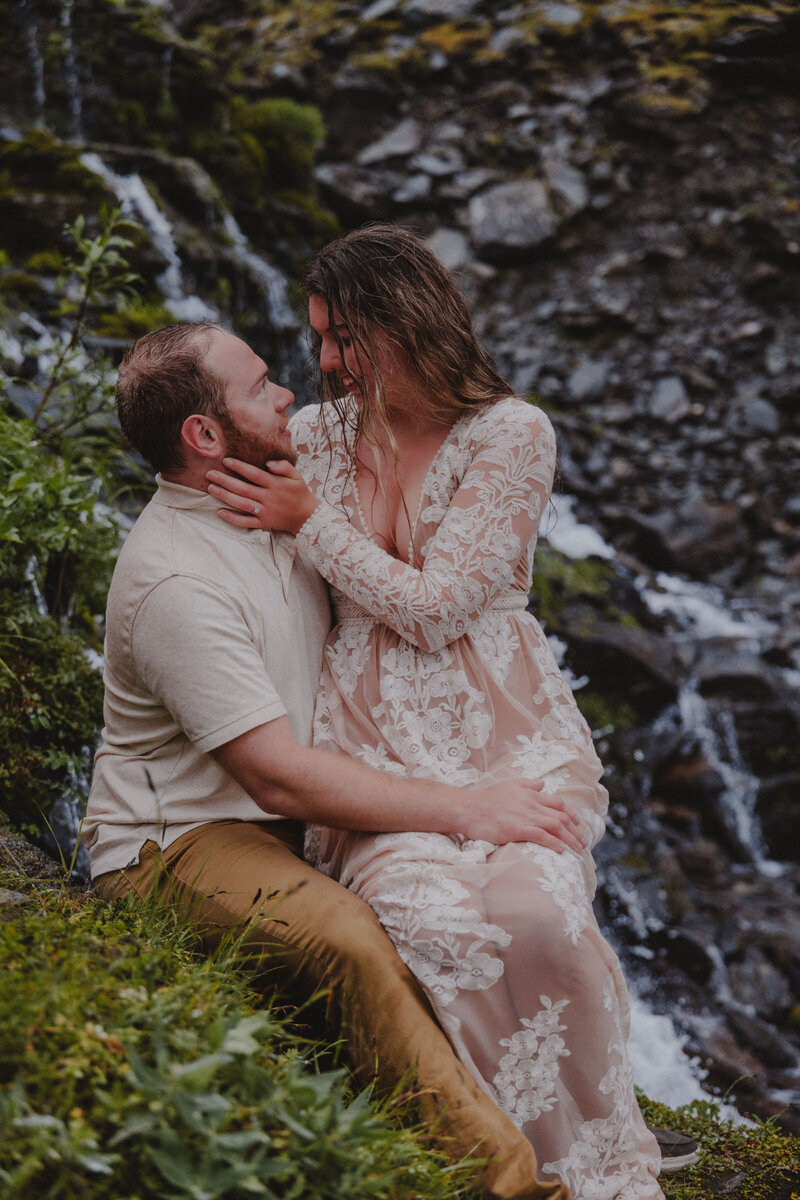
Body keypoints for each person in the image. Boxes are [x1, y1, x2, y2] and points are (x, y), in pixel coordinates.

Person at [204, 224, 672, 1199]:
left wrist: (310, 524)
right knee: (432, 924)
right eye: (318, 338)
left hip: (506, 736)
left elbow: (437, 610)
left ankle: (601, 1168)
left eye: (342, 339)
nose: (323, 362)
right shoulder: (316, 436)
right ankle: (502, 1161)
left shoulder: (511, 433)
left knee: (536, 917)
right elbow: (205, 491)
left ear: (404, 324)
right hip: (372, 749)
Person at [82, 320, 578, 1200]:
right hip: (182, 840)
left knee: (492, 897)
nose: (291, 396)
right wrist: (468, 808)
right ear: (204, 435)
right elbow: (275, 774)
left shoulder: (279, 496)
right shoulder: (176, 582)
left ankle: (581, 1124)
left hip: (293, 818)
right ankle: (512, 1182)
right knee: (355, 936)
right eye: (262, 385)